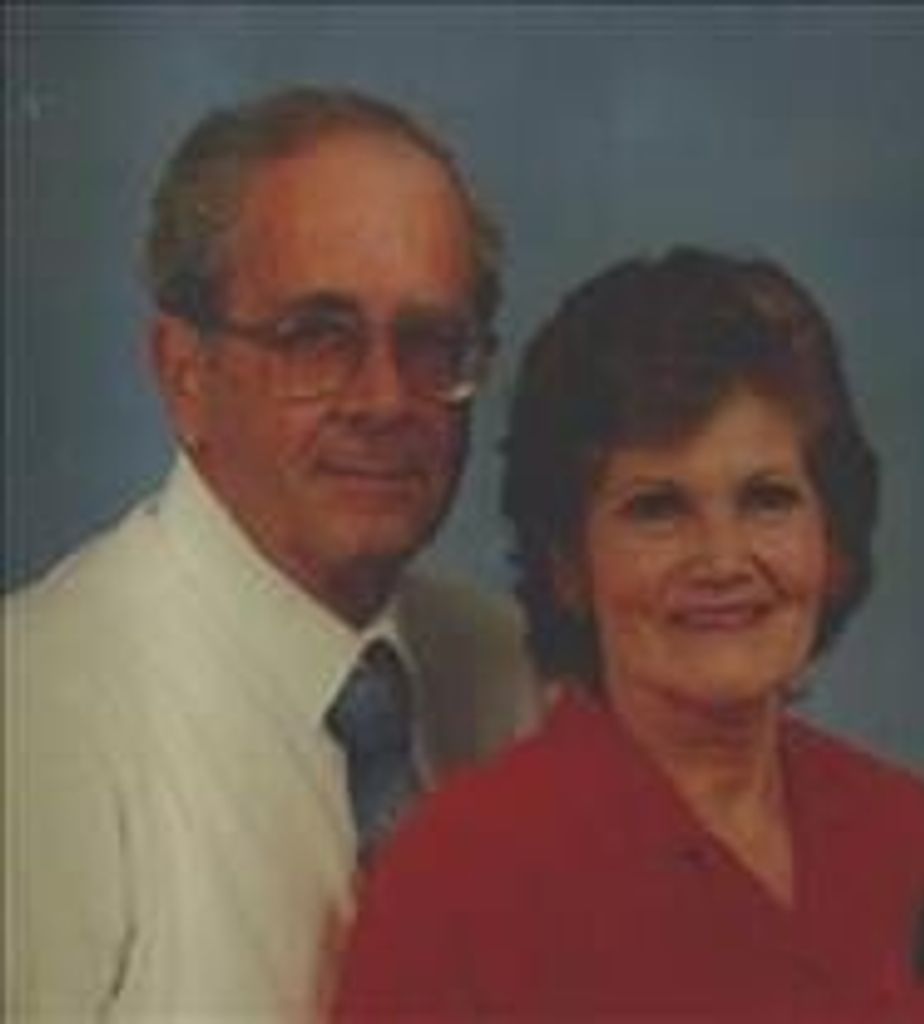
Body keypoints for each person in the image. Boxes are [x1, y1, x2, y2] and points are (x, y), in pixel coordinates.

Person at [337, 246, 924, 1021]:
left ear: (830, 537)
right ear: (569, 564)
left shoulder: (913, 837)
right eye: (657, 509)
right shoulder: (459, 878)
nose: (722, 560)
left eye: (767, 499)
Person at [4, 86, 538, 1020]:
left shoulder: (510, 669)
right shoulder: (38, 708)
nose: (384, 400)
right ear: (184, 373)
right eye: (316, 339)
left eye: (430, 343)